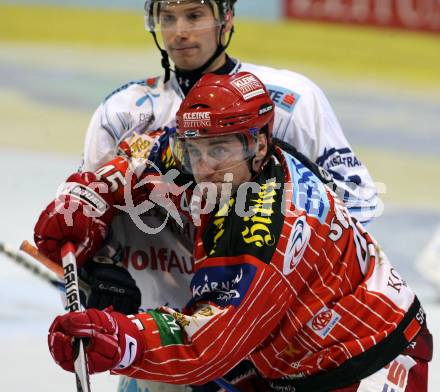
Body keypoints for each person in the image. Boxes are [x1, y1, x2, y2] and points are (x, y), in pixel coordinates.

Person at [54, 0, 379, 390]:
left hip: (262, 350)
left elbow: (355, 203)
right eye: (168, 18)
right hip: (164, 342)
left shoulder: (291, 101)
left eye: (194, 15)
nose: (179, 32)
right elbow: (89, 213)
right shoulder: (122, 112)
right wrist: (100, 270)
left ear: (226, 19)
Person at [38, 72, 432, 392]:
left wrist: (118, 338)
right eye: (196, 150)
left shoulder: (259, 231)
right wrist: (89, 197)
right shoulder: (230, 159)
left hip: (366, 361)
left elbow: (204, 347)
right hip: (287, 352)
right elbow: (147, 155)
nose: (205, 166)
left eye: (220, 151)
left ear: (258, 144)